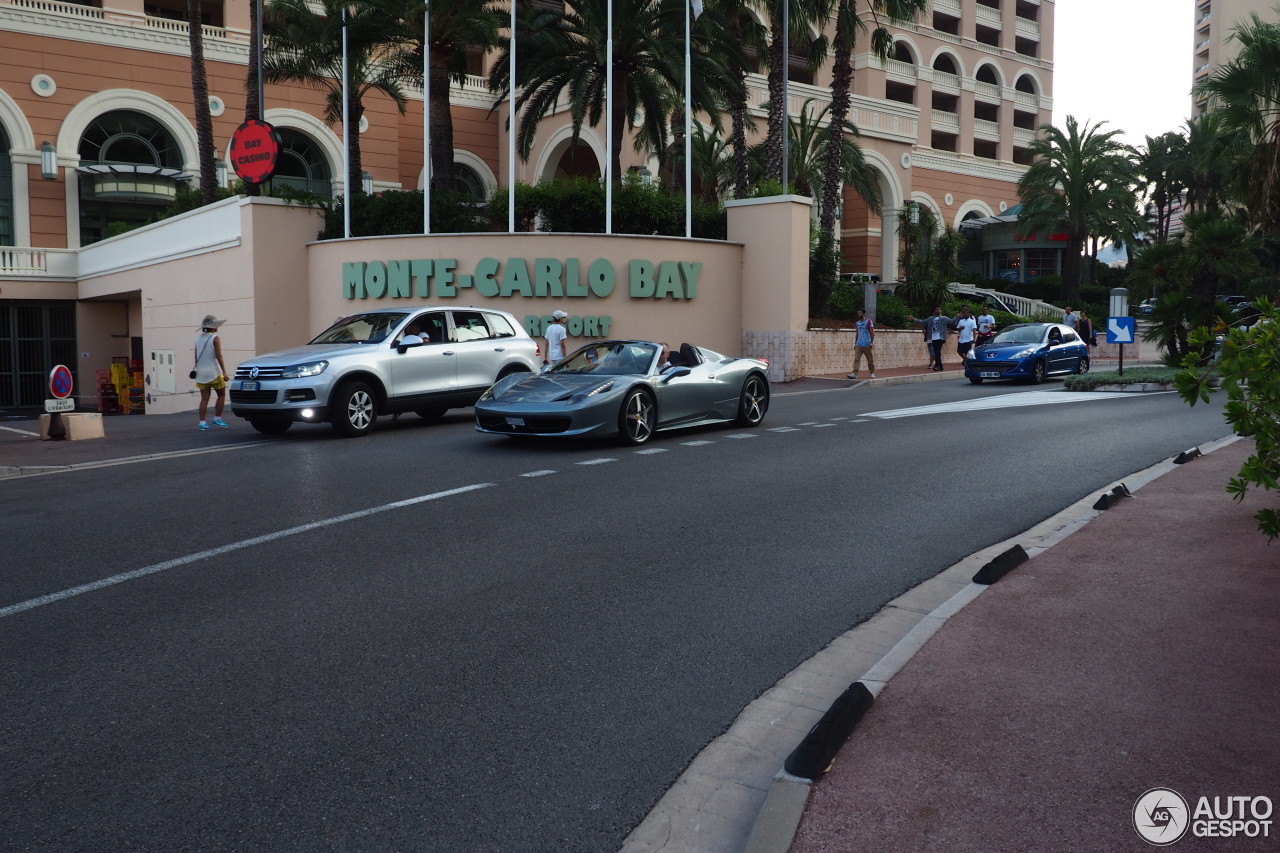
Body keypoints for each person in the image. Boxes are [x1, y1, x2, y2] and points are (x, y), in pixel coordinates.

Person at [194, 314, 230, 430]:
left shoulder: (198, 339)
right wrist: (224, 372)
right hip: (213, 372)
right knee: (221, 395)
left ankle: (202, 422)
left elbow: (196, 356)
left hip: (201, 373)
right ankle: (217, 418)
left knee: (204, 399)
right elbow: (218, 355)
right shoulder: (215, 338)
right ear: (213, 326)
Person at [907, 307, 956, 371]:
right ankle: (940, 366)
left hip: (940, 338)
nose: (938, 310)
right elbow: (922, 321)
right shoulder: (930, 319)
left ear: (941, 311)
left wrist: (957, 317)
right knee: (936, 352)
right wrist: (913, 319)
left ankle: (937, 365)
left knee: (937, 352)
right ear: (934, 311)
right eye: (936, 309)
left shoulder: (944, 318)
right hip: (933, 337)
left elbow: (951, 321)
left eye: (939, 309)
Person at [846, 308, 876, 379]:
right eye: (858, 313)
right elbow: (857, 333)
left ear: (863, 314)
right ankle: (854, 374)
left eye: (860, 313)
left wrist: (871, 342)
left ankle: (872, 372)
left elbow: (872, 333)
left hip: (867, 344)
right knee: (856, 359)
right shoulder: (857, 323)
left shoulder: (869, 322)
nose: (858, 314)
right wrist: (855, 343)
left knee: (870, 360)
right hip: (859, 344)